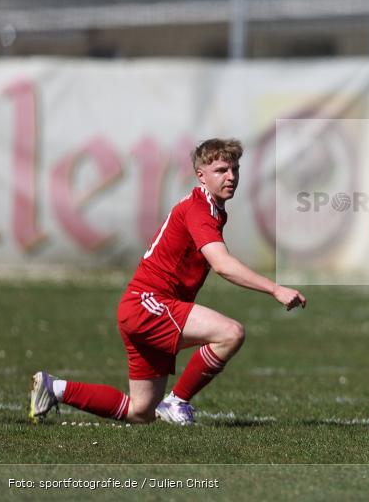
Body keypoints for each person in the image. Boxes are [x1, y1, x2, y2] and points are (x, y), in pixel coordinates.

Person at [29, 138, 306, 425]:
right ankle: (178, 401)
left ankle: (54, 388)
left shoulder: (210, 209)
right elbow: (222, 265)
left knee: (141, 411)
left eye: (235, 169)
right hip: (150, 304)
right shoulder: (200, 208)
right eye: (221, 170)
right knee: (231, 333)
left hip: (140, 308)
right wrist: (274, 288)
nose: (231, 177)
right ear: (201, 175)